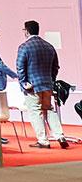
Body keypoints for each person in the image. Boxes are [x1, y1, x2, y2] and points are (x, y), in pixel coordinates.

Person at [16, 20, 68, 149]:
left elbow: (20, 67)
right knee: (49, 109)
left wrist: (23, 82)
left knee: (35, 112)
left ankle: (43, 140)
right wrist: (51, 79)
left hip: (33, 86)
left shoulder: (24, 46)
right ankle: (60, 136)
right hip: (47, 84)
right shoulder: (49, 46)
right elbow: (56, 67)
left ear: (26, 31)